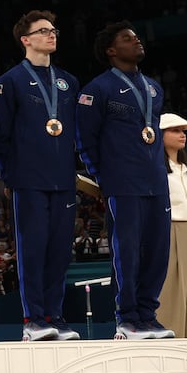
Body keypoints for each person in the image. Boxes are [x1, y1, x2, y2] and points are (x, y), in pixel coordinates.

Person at [76, 21, 174, 339]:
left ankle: (148, 314)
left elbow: (152, 135)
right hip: (122, 182)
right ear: (111, 50)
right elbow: (86, 139)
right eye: (127, 38)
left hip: (157, 181)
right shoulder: (96, 90)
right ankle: (127, 318)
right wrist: (104, 178)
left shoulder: (154, 88)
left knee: (158, 252)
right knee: (127, 251)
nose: (137, 41)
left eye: (136, 36)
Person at [0, 11, 82, 341]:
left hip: (63, 179)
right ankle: (33, 319)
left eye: (53, 30)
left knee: (59, 250)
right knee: (33, 249)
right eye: (43, 31)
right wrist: (7, 175)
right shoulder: (8, 82)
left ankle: (55, 315)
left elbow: (75, 132)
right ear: (25, 40)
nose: (51, 35)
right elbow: (0, 135)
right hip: (27, 178)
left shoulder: (68, 82)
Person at [157, 113, 187, 338]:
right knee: (172, 291)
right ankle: (173, 338)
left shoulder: (186, 169)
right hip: (170, 228)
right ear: (160, 135)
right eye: (175, 130)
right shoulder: (157, 170)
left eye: (184, 131)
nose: (182, 135)